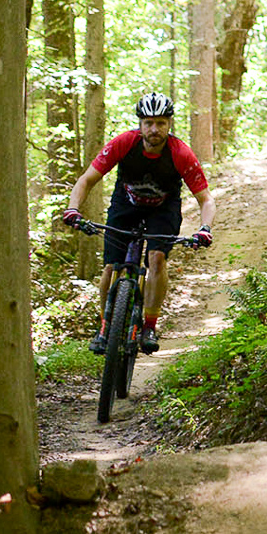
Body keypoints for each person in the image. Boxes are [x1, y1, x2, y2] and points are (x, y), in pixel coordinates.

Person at [61, 92, 214, 355]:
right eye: (149, 123)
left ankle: (150, 326)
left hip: (163, 208)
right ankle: (105, 327)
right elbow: (87, 179)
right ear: (140, 124)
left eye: (161, 123)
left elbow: (206, 199)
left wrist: (205, 228)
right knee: (111, 266)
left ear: (169, 124)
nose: (154, 129)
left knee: (156, 259)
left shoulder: (180, 153)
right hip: (126, 204)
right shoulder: (124, 143)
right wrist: (73, 209)